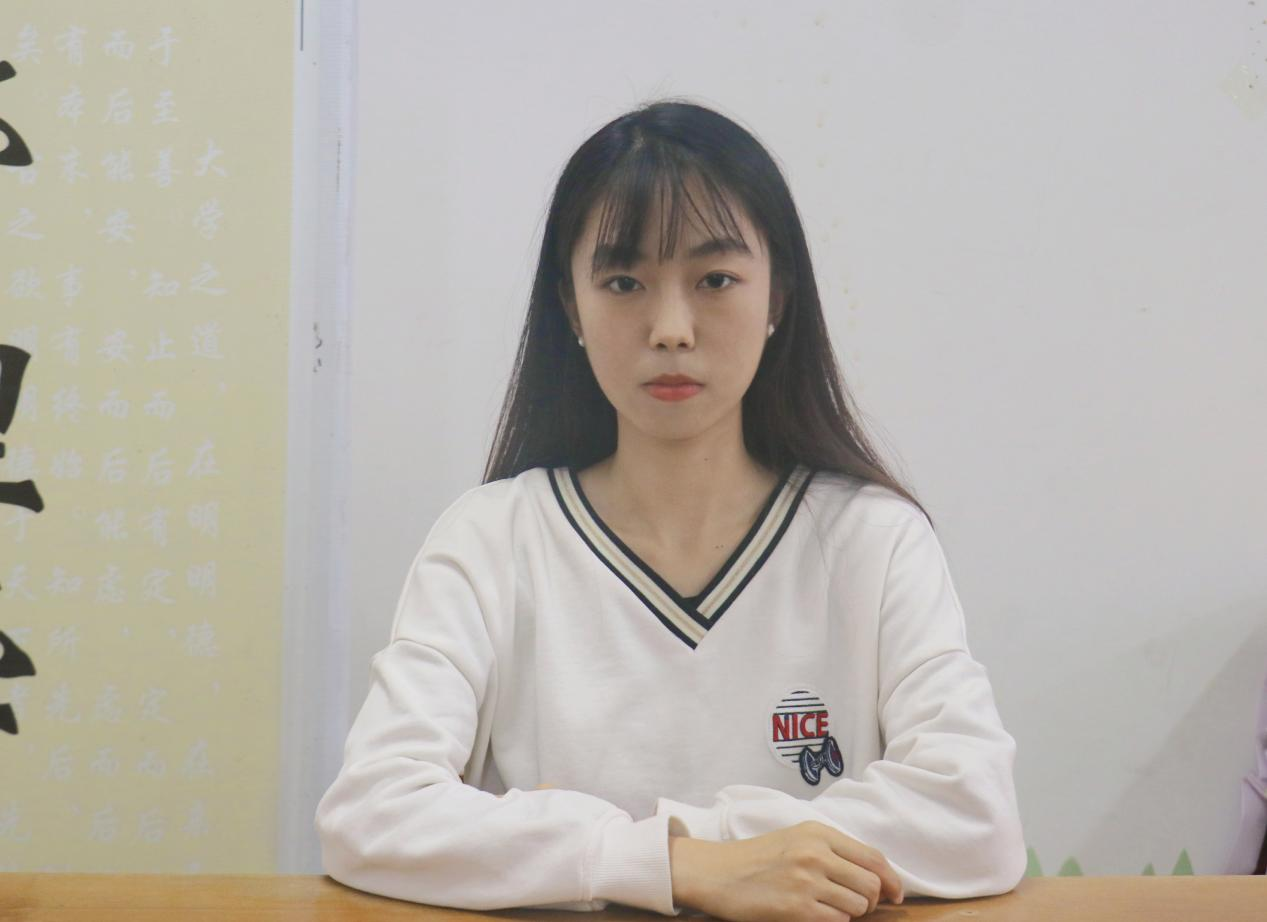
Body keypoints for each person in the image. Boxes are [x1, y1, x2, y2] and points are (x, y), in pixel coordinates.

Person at [314, 98, 1028, 919]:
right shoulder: (491, 539)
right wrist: (684, 866)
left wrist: (656, 845)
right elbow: (372, 813)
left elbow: (974, 817)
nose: (670, 329)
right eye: (623, 283)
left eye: (714, 280)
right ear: (570, 305)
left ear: (777, 297)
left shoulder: (873, 540)